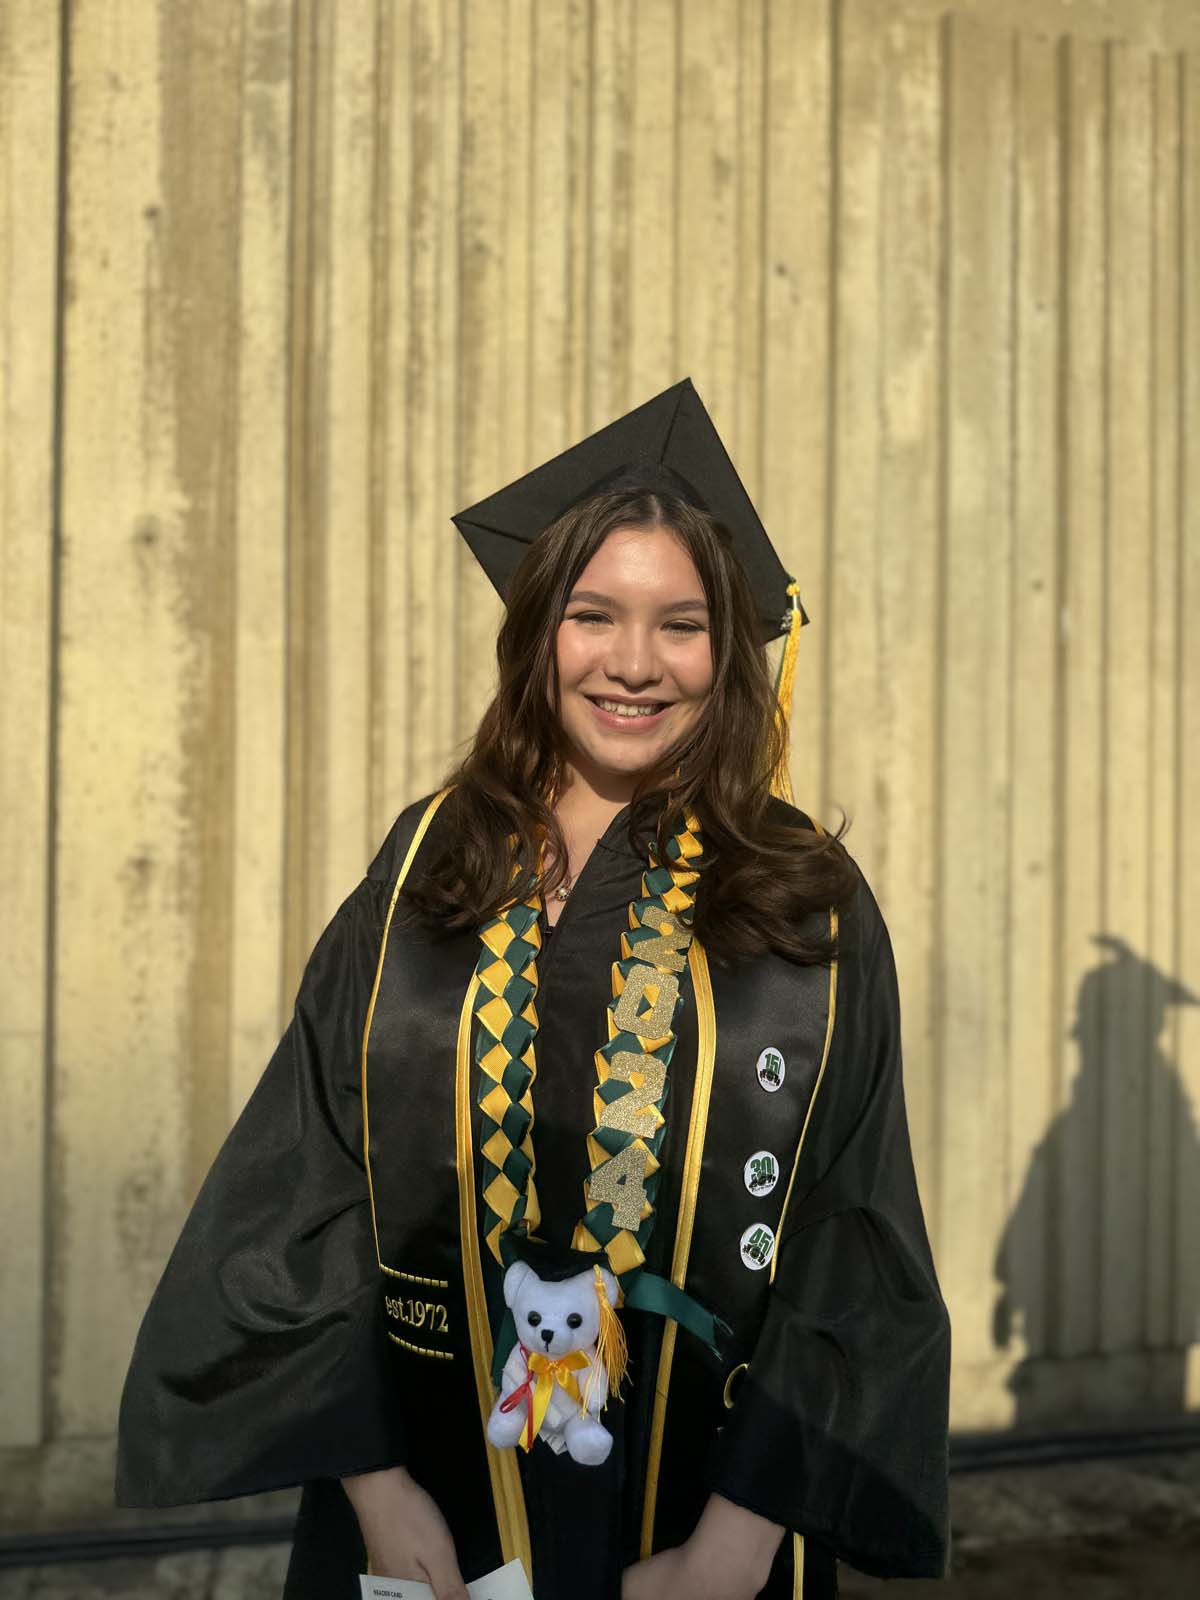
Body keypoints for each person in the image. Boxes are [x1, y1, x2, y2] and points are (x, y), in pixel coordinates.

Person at [116, 380, 950, 1599]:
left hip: (701, 1506)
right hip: (429, 1505)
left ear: (730, 651)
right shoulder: (428, 862)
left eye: (680, 624)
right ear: (535, 631)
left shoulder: (799, 900)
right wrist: (376, 1490)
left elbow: (849, 1236)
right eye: (593, 614)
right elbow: (310, 1178)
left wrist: (734, 1547)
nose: (632, 663)